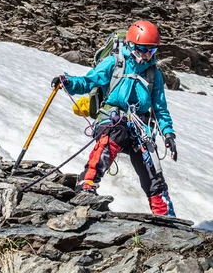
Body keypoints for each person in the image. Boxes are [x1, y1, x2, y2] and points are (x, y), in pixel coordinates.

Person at [51, 20, 178, 216]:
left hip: (139, 126)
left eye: (152, 51)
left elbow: (160, 108)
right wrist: (68, 82)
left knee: (151, 164)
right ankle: (87, 185)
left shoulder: (155, 74)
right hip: (111, 119)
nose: (147, 55)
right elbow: (88, 81)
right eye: (144, 49)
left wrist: (168, 134)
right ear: (132, 45)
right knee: (114, 133)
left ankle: (164, 212)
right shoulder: (115, 63)